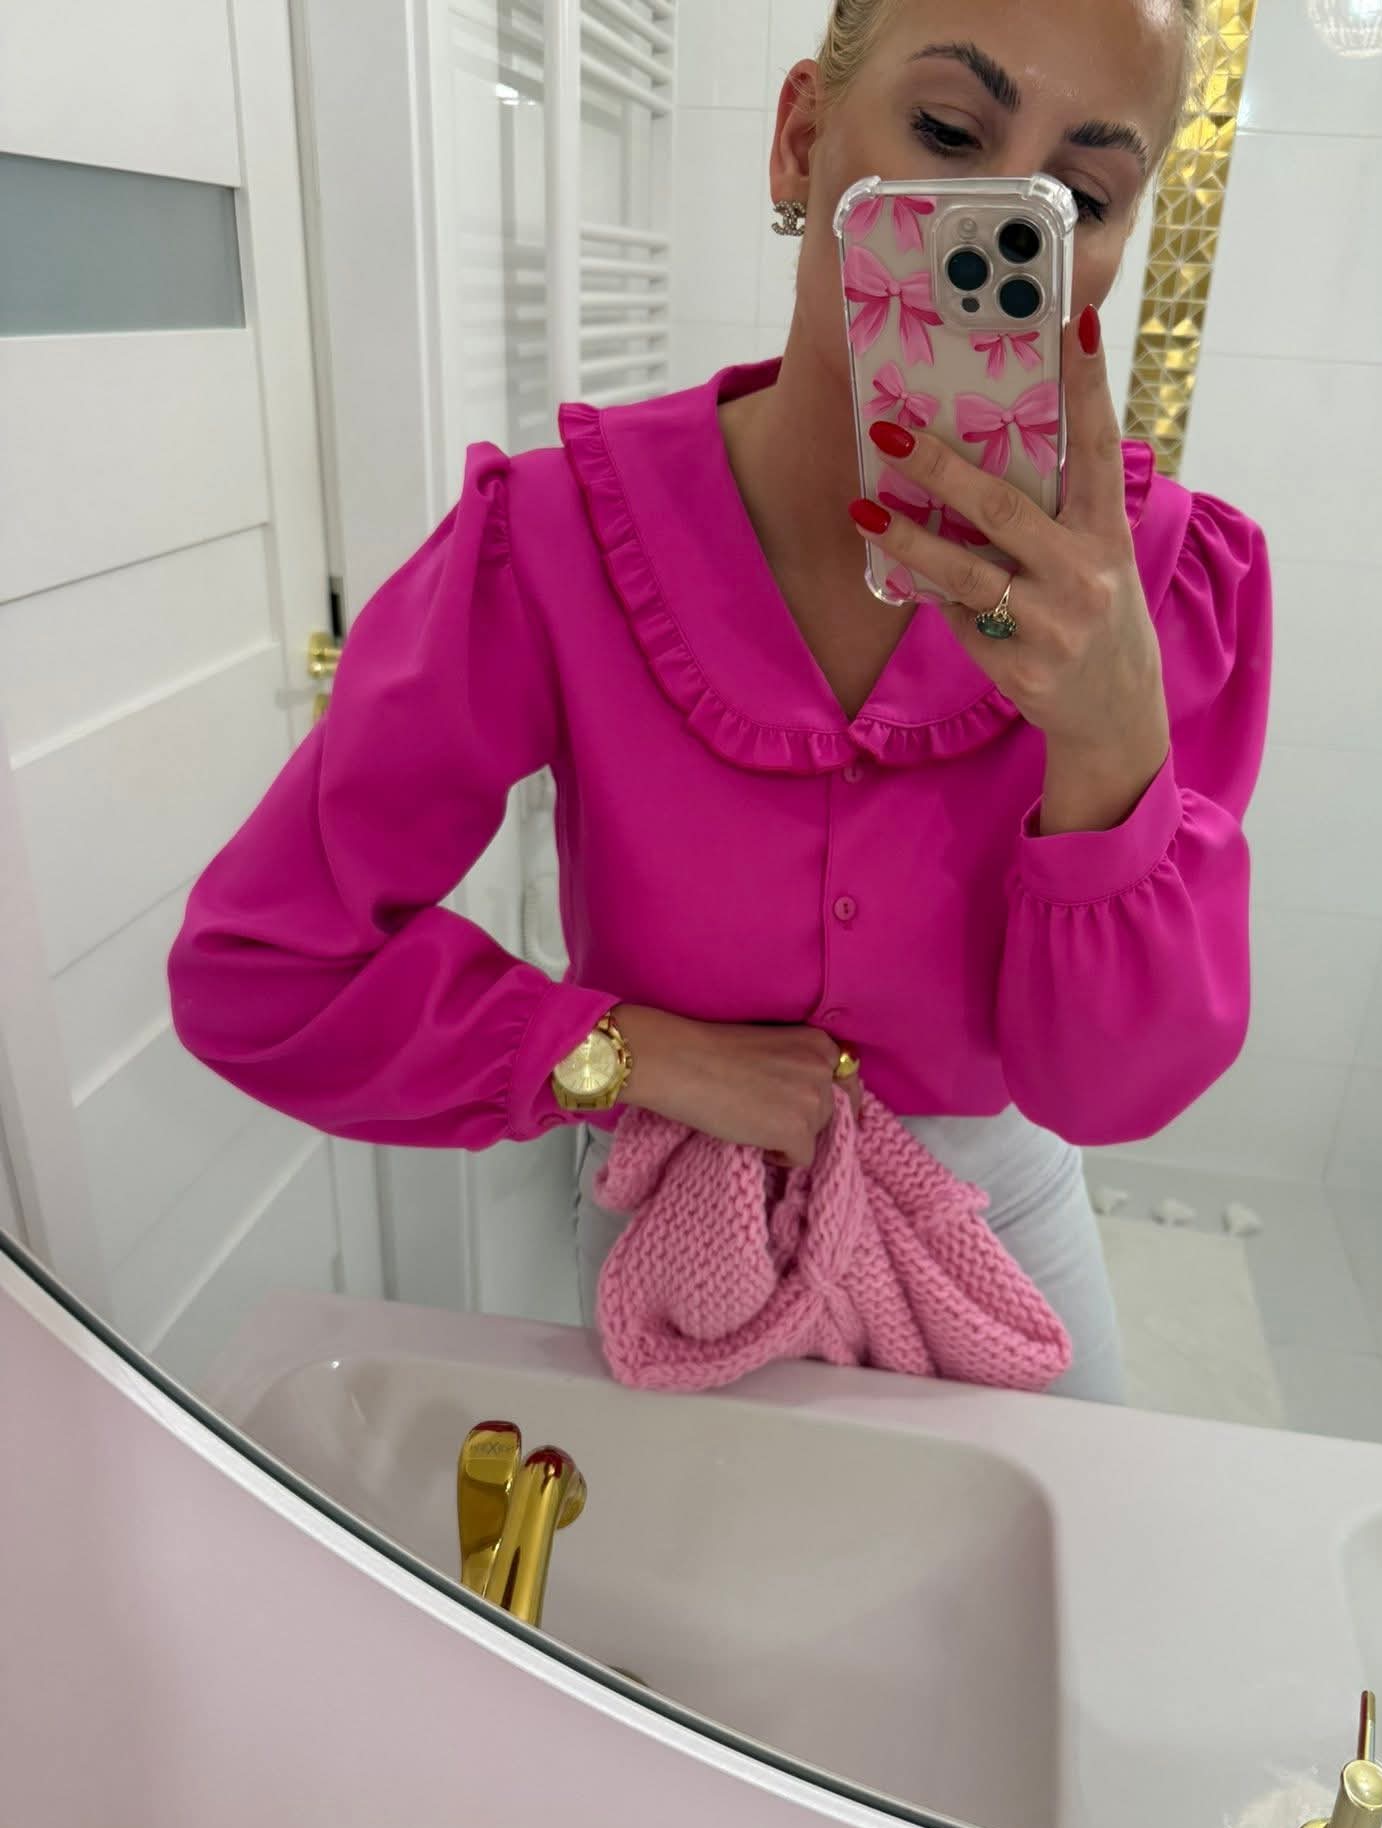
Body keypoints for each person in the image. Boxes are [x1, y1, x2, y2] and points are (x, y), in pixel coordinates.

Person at [169, 0, 1271, 1404]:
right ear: (803, 138)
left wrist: (1108, 741)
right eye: (948, 133)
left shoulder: (1168, 588)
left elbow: (1108, 1094)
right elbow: (259, 967)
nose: (999, 221)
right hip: (678, 1238)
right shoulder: (559, 541)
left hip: (999, 1239)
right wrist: (620, 1054)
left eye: (1084, 195)